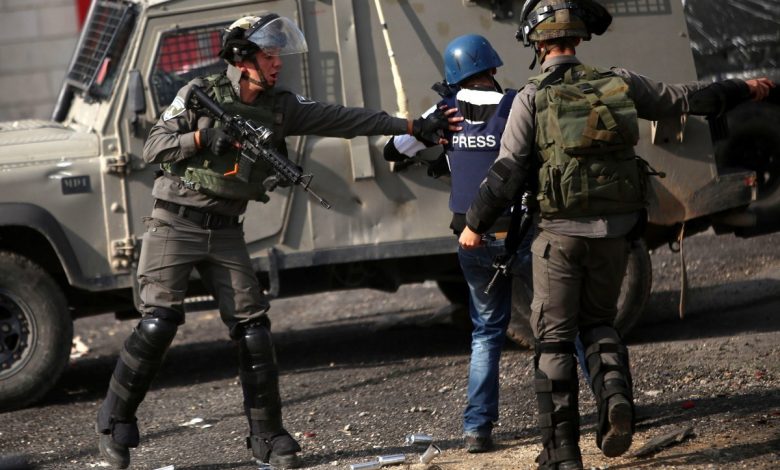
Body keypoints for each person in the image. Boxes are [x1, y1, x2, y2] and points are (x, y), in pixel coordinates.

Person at [95, 13, 460, 470]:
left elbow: (343, 118)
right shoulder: (199, 93)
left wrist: (411, 127)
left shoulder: (281, 107)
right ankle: (115, 422)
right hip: (175, 222)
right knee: (159, 323)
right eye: (269, 56)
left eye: (277, 56)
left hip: (225, 229)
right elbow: (153, 147)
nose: (278, 63)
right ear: (242, 58)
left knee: (254, 330)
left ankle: (267, 436)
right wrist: (204, 136)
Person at [458, 1, 776, 469]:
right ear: (578, 38)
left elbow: (506, 173)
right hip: (616, 234)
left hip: (559, 237)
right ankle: (615, 401)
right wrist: (744, 88)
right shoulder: (619, 82)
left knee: (554, 340)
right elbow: (687, 98)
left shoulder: (530, 97)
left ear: (536, 44)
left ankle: (562, 454)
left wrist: (474, 225)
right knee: (599, 324)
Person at [385, 34, 532, 453]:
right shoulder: (517, 105)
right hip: (520, 232)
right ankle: (608, 401)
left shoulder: (444, 111)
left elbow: (393, 151)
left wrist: (434, 131)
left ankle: (477, 430)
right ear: (493, 68)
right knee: (559, 321)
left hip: (471, 238)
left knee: (486, 333)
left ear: (453, 74)